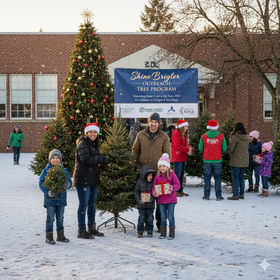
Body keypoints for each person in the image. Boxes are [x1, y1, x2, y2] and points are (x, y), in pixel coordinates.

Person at [132, 112, 171, 231]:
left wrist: (166, 170)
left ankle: (160, 224)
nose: (153, 124)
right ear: (148, 123)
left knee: (159, 199)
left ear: (159, 123)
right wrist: (133, 165)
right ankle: (146, 223)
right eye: (151, 122)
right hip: (145, 173)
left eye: (155, 122)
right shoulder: (141, 135)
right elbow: (135, 150)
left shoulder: (164, 136)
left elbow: (167, 154)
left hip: (159, 173)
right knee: (146, 199)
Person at [73, 123, 111, 239]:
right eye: (91, 132)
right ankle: (81, 230)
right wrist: (103, 159)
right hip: (83, 179)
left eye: (95, 132)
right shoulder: (82, 143)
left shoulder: (94, 144)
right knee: (84, 205)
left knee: (92, 205)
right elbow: (86, 160)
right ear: (86, 133)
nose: (93, 134)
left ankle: (91, 228)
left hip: (92, 179)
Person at [39, 149, 72, 245]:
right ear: (50, 160)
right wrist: (48, 192)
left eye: (57, 158)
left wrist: (67, 185)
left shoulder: (64, 171)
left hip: (61, 199)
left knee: (60, 218)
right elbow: (41, 183)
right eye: (53, 158)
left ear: (60, 160)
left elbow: (69, 181)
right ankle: (49, 236)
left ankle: (60, 235)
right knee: (50, 218)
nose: (55, 160)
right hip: (50, 199)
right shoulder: (46, 171)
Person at [152, 153, 180, 240]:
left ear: (167, 167)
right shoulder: (157, 176)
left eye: (164, 166)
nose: (162, 168)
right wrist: (155, 193)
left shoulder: (172, 175)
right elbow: (154, 187)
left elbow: (178, 185)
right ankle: (163, 233)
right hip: (161, 201)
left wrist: (172, 187)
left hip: (171, 200)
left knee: (170, 216)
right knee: (163, 217)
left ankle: (172, 232)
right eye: (160, 166)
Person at [198, 120, 227, 201]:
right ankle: (218, 195)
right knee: (217, 178)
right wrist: (218, 151)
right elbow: (224, 148)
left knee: (207, 178)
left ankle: (206, 195)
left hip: (207, 160)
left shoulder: (203, 136)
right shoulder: (221, 136)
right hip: (218, 160)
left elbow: (200, 148)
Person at [227, 122, 249, 200]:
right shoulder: (247, 136)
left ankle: (235, 194)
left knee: (235, 177)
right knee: (241, 177)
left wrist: (228, 149)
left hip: (236, 159)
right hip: (244, 159)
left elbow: (231, 149)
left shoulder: (235, 137)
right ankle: (241, 194)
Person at [171, 120, 193, 197]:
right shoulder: (176, 133)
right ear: (181, 127)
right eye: (185, 127)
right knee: (177, 175)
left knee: (181, 175)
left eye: (187, 127)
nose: (187, 128)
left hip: (182, 157)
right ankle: (176, 190)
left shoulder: (182, 134)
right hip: (177, 157)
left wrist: (188, 148)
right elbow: (177, 146)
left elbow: (182, 145)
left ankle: (180, 190)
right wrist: (187, 150)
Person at [134, 165, 156, 238]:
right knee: (142, 217)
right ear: (144, 175)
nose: (150, 177)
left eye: (152, 176)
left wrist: (152, 198)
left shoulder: (153, 183)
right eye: (149, 175)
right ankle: (140, 231)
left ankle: (150, 230)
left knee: (150, 218)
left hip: (150, 205)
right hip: (141, 205)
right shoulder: (139, 183)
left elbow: (155, 192)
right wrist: (139, 200)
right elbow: (136, 192)